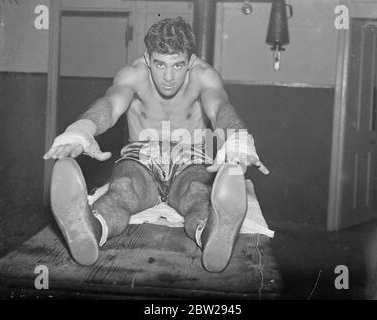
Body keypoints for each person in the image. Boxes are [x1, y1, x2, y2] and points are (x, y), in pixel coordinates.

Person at [43, 17, 268, 273]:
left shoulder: (205, 76)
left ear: (191, 62)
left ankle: (212, 236)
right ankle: (89, 230)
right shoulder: (133, 74)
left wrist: (237, 136)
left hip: (189, 156)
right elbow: (112, 104)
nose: (169, 77)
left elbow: (219, 108)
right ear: (148, 59)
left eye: (178, 65)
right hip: (142, 156)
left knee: (197, 192)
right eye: (160, 65)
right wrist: (82, 129)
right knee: (122, 189)